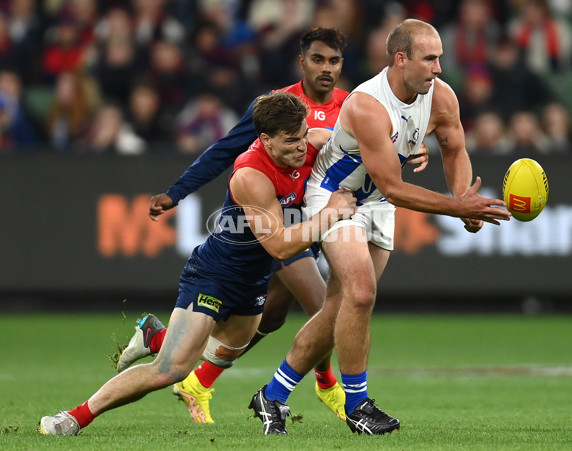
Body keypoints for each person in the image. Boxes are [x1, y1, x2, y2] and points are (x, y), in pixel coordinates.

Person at [38, 91, 357, 436]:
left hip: (253, 283)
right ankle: (73, 418)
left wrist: (405, 149)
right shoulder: (251, 175)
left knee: (223, 355)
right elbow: (280, 246)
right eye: (291, 140)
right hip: (216, 276)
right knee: (172, 369)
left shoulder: (312, 142)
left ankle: (156, 336)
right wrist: (330, 213)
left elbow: (363, 144)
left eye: (304, 135)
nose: (301, 145)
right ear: (264, 139)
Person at [248, 18, 511, 436]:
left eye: (440, 57)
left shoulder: (440, 96)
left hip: (379, 203)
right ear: (400, 59)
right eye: (429, 59)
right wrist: (458, 205)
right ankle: (358, 406)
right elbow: (395, 185)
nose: (439, 68)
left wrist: (465, 201)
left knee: (341, 307)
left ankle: (273, 395)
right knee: (362, 291)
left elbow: (454, 147)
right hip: (335, 195)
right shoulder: (368, 104)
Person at [114, 27, 363, 424]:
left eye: (334, 61)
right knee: (326, 306)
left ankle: (166, 348)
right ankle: (327, 383)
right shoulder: (280, 107)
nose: (326, 68)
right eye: (318, 59)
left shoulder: (352, 107)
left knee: (274, 316)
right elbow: (226, 150)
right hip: (277, 224)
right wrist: (177, 192)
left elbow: (372, 150)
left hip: (312, 224)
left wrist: (407, 146)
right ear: (302, 61)